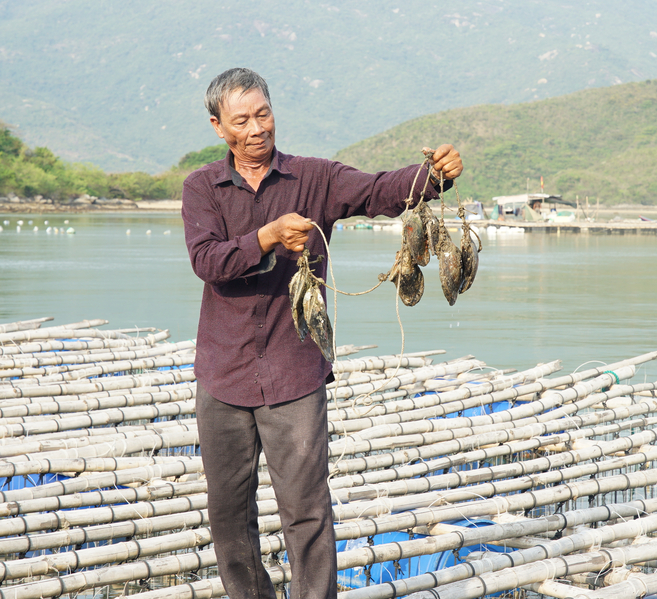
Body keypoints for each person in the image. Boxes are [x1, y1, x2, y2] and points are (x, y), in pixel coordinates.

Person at [182, 68, 463, 599]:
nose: (256, 128)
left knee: (307, 511)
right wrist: (265, 237)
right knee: (227, 514)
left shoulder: (315, 178)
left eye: (263, 114)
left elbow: (378, 191)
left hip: (294, 371)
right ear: (218, 126)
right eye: (241, 120)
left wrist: (434, 177)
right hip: (223, 374)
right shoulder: (202, 188)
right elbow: (208, 261)